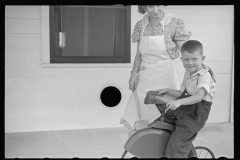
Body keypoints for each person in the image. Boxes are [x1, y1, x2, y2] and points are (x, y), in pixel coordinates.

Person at [120, 5, 192, 137]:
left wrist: (197, 72)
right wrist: (133, 75)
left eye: (159, 5)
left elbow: (185, 53)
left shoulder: (174, 24)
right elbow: (139, 55)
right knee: (142, 114)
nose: (156, 9)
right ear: (143, 7)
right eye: (150, 6)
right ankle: (145, 150)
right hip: (145, 78)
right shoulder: (140, 25)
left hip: (166, 78)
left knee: (165, 118)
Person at [156, 40, 216, 158]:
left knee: (176, 147)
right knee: (165, 119)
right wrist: (168, 90)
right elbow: (183, 93)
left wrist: (178, 102)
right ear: (181, 59)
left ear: (202, 58)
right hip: (185, 110)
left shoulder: (204, 76)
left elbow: (198, 97)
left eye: (194, 59)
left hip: (195, 115)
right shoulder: (188, 73)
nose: (190, 63)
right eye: (186, 59)